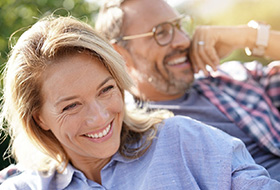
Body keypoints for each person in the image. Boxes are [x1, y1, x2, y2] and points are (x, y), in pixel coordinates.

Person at [0, 15, 280, 189]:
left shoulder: (184, 139)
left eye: (106, 89)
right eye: (70, 106)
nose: (98, 117)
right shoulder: (26, 184)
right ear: (39, 118)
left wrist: (253, 35)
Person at [95, 0, 280, 181]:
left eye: (180, 26)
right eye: (161, 33)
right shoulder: (128, 134)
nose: (183, 41)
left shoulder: (233, 78)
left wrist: (250, 36)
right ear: (119, 54)